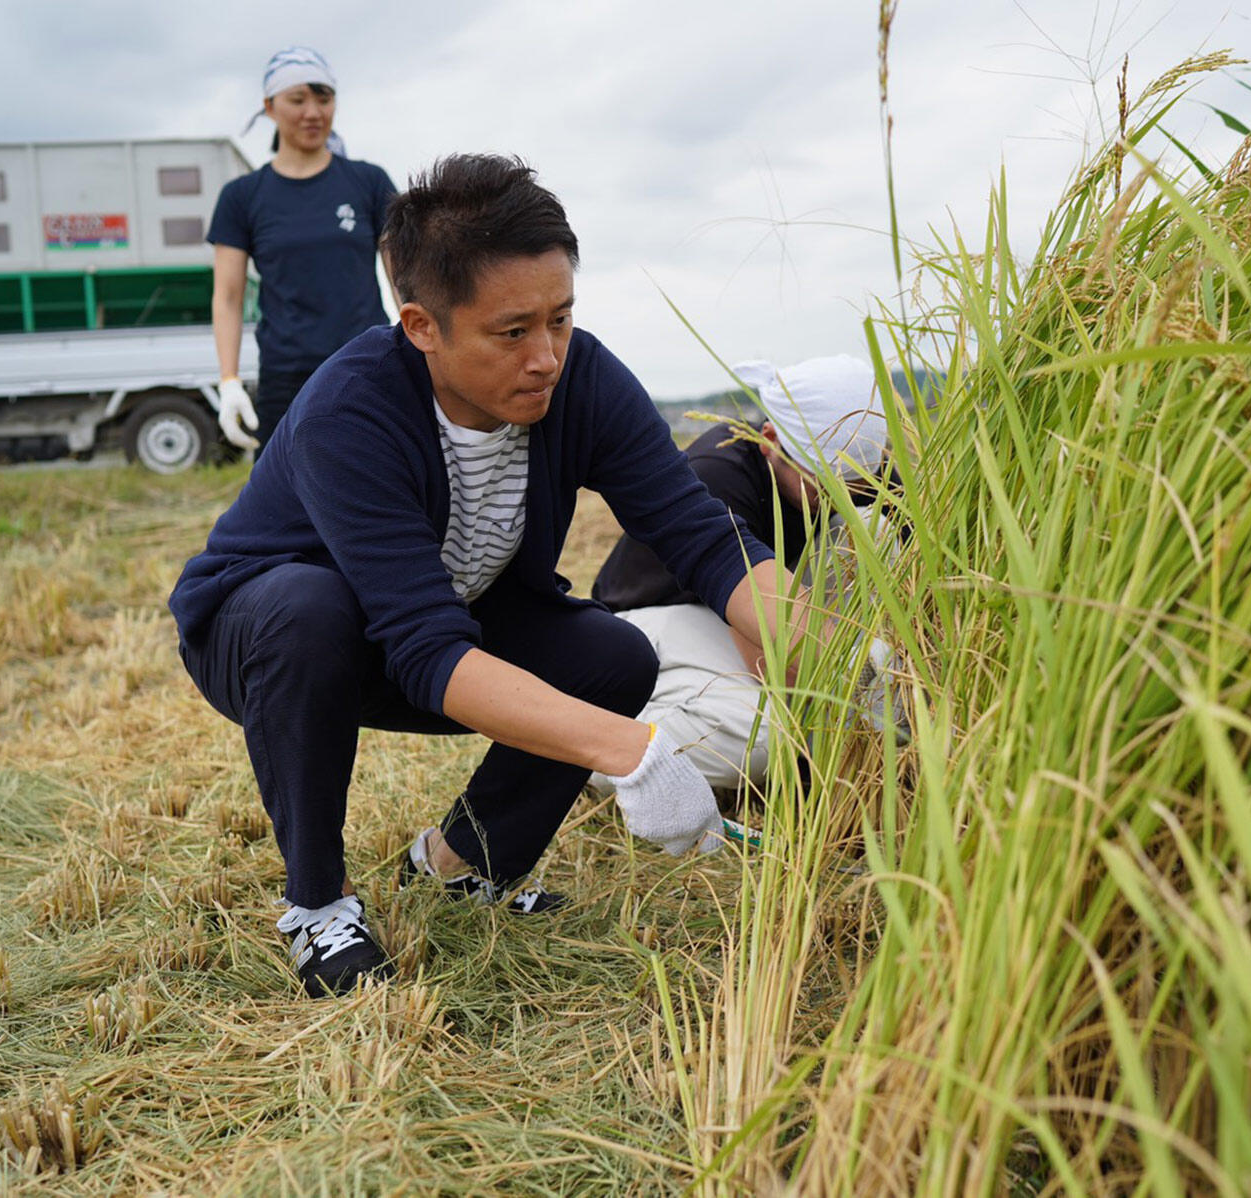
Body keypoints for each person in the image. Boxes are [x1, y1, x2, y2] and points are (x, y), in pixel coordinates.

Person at [169, 154, 795, 999]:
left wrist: (851, 657)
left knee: (613, 657)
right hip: (277, 640)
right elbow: (427, 652)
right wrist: (632, 754)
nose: (546, 357)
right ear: (424, 325)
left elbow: (707, 541)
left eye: (561, 319)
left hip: (437, 621)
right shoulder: (351, 412)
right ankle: (318, 906)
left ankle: (462, 865)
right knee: (307, 609)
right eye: (513, 332)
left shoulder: (582, 378)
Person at [590, 355, 886, 796]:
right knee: (765, 738)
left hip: (752, 607)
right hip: (651, 617)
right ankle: (586, 754)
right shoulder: (720, 473)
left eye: (852, 483)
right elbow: (767, 648)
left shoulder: (849, 463)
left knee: (877, 536)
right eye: (823, 483)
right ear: (770, 440)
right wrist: (838, 749)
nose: (840, 497)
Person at [208, 46, 398, 454]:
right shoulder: (242, 196)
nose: (313, 112)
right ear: (270, 107)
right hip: (287, 375)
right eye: (298, 100)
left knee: (375, 487)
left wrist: (428, 349)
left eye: (324, 98)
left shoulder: (368, 182)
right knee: (282, 504)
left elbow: (405, 277)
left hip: (368, 365)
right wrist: (228, 379)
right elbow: (227, 296)